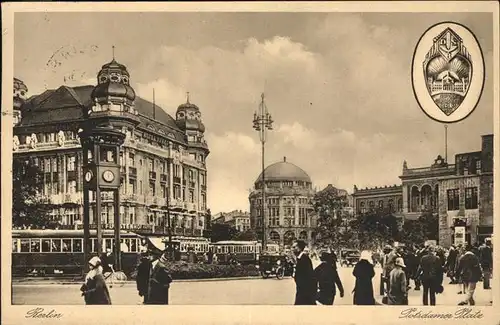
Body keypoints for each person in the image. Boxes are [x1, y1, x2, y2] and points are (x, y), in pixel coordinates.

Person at [291, 240, 316, 305]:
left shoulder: (304, 259)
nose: (292, 249)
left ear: (299, 248)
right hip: (302, 292)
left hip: (304, 293)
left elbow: (309, 277)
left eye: (294, 247)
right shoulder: (300, 259)